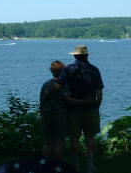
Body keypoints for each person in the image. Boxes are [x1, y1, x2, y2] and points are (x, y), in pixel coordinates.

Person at [47, 45, 104, 173]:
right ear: (87, 55)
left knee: (74, 138)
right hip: (90, 109)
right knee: (90, 137)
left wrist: (47, 96)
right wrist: (96, 107)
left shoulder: (67, 69)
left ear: (75, 55)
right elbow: (99, 93)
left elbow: (58, 86)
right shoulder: (94, 70)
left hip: (72, 109)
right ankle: (90, 164)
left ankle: (75, 164)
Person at [39, 60, 70, 159]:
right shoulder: (66, 85)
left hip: (47, 115)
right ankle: (57, 166)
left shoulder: (46, 84)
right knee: (59, 143)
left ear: (51, 71)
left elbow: (41, 101)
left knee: (47, 143)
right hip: (61, 116)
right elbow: (68, 101)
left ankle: (46, 165)